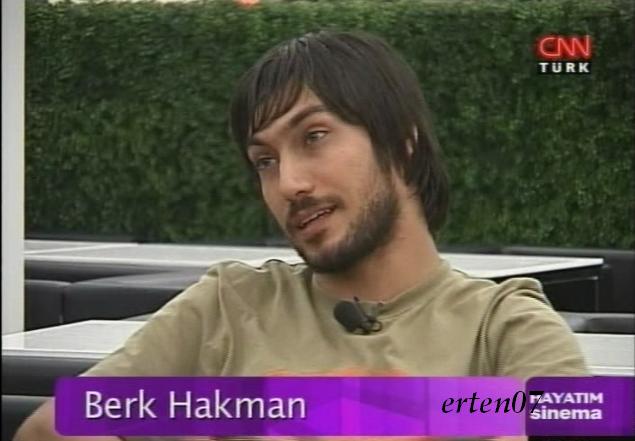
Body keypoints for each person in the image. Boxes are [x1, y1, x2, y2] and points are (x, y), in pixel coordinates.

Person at [14, 30, 587, 441]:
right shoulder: (229, 302)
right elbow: (50, 426)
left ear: (402, 143)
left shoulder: (503, 321)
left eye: (314, 136)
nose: (288, 183)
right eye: (264, 161)